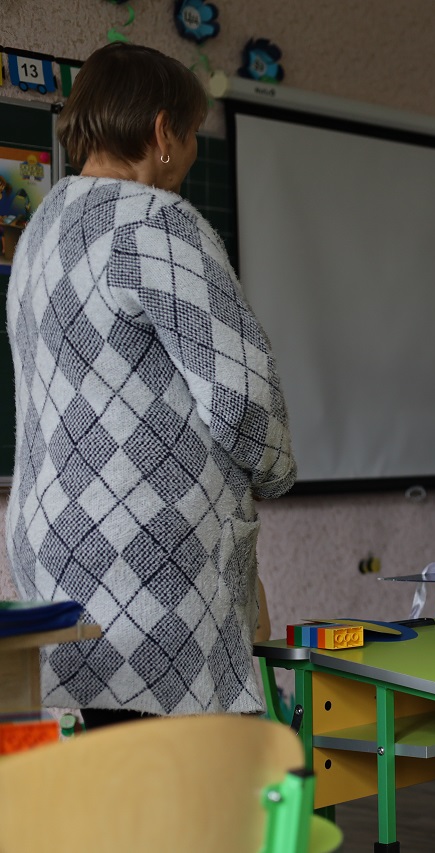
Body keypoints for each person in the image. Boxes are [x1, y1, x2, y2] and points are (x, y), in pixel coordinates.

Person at [5, 44, 296, 727]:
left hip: (52, 549)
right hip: (150, 553)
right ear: (164, 133)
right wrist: (276, 471)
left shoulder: (39, 233)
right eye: (193, 134)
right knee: (191, 780)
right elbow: (240, 394)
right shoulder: (155, 222)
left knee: (106, 772)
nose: (191, 153)